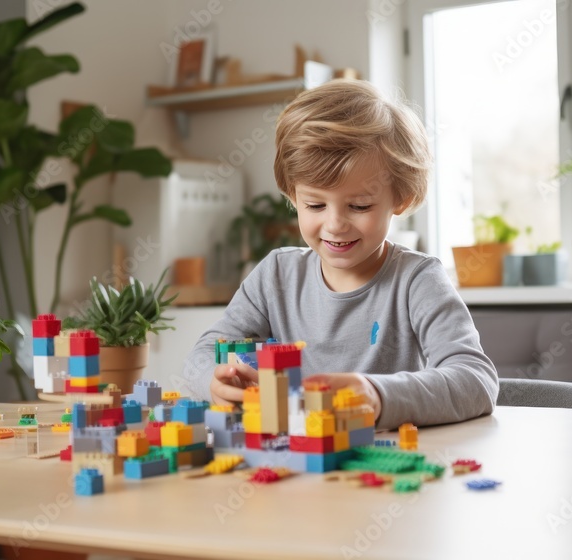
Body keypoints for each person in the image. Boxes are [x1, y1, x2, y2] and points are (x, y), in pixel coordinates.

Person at [181, 79, 498, 428]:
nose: (334, 224)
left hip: (386, 471)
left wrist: (377, 395)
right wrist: (215, 380)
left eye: (359, 205)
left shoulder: (417, 280)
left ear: (400, 199)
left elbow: (476, 380)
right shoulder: (276, 276)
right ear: (292, 196)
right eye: (315, 204)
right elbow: (204, 353)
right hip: (296, 467)